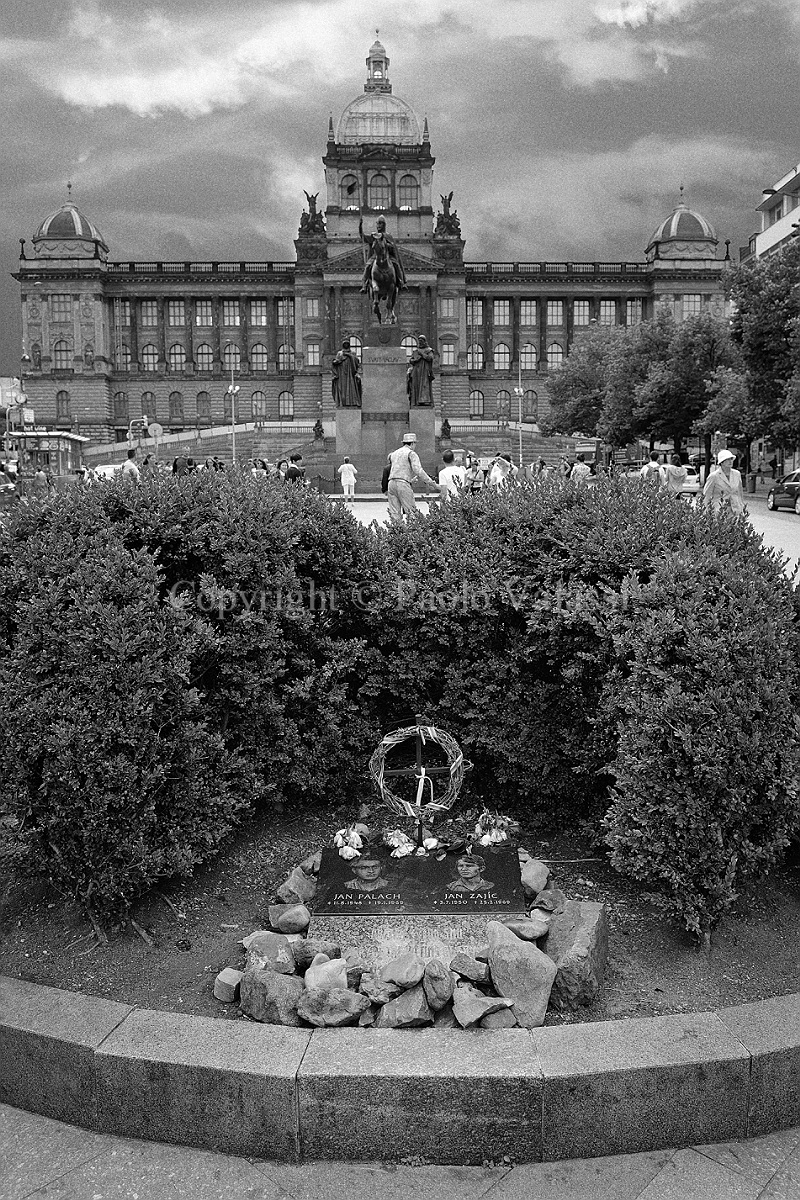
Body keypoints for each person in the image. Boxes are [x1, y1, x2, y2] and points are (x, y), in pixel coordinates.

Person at [386, 432, 447, 523]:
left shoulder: (394, 453)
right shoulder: (411, 453)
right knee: (411, 512)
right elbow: (418, 470)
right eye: (415, 444)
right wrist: (432, 483)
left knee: (394, 513)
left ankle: (395, 533)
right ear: (413, 443)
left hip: (391, 483)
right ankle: (412, 534)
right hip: (403, 484)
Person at [359, 214, 407, 293]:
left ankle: (401, 281)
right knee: (367, 266)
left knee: (396, 265)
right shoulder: (374, 236)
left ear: (384, 225)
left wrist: (387, 246)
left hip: (387, 256)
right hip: (375, 257)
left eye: (380, 223)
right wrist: (360, 226)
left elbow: (392, 247)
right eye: (377, 223)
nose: (378, 225)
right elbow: (363, 237)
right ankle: (364, 285)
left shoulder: (388, 236)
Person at [703, 448, 745, 514]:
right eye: (727, 460)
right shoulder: (714, 476)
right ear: (721, 462)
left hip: (735, 511)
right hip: (720, 512)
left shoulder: (737, 474)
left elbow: (739, 493)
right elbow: (707, 495)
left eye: (731, 459)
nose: (730, 461)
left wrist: (742, 507)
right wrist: (705, 512)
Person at [331, 339, 362, 408]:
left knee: (352, 389)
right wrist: (336, 361)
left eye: (347, 344)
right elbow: (336, 362)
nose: (346, 345)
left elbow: (356, 361)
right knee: (342, 390)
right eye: (344, 344)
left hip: (350, 374)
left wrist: (349, 356)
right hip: (342, 373)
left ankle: (352, 402)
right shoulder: (339, 353)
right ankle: (343, 403)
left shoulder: (352, 353)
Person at [406, 336, 435, 406]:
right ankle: (415, 402)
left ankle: (424, 401)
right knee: (415, 386)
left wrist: (422, 355)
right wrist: (414, 360)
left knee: (424, 385)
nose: (420, 343)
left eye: (421, 341)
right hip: (416, 371)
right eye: (419, 342)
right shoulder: (416, 351)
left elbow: (430, 358)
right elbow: (411, 360)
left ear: (425, 341)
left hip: (424, 371)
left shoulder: (429, 350)